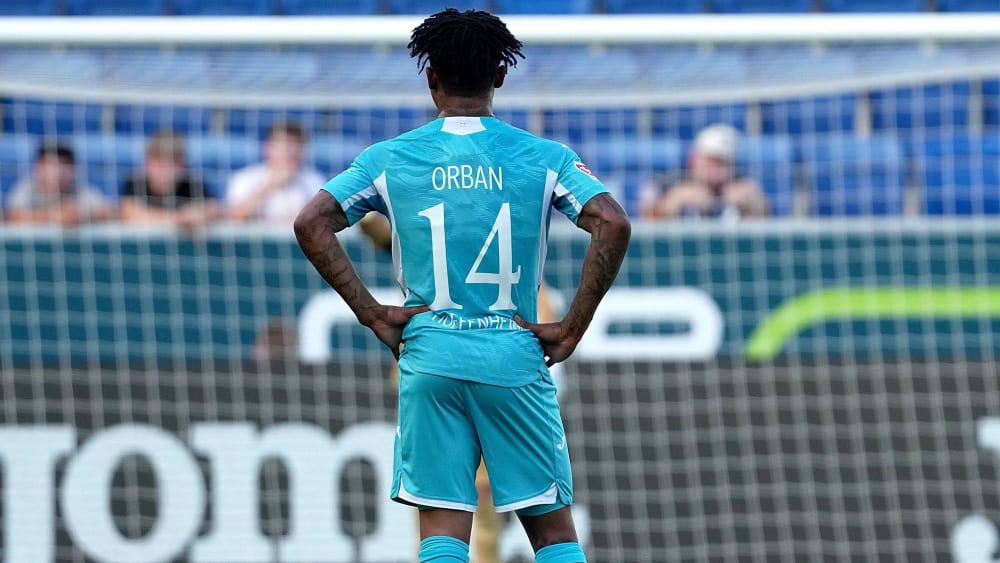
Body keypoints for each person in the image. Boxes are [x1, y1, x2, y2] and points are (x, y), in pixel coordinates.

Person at [294, 9, 631, 563]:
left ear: (431, 79)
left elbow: (311, 222)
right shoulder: (545, 157)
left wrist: (372, 313)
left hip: (430, 356)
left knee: (443, 533)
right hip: (512, 355)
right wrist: (573, 327)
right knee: (552, 535)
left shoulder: (388, 159)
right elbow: (612, 222)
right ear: (500, 75)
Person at [640, 123, 770, 219]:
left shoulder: (740, 184)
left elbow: (767, 221)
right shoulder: (666, 182)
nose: (716, 168)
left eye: (723, 162)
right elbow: (643, 221)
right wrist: (673, 202)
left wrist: (754, 203)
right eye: (711, 159)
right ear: (693, 158)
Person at [226, 121, 324, 223]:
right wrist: (270, 186)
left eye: (296, 146)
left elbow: (322, 219)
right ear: (268, 147)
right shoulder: (245, 177)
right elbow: (235, 216)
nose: (290, 152)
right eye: (283, 146)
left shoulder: (313, 179)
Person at [119, 129, 220, 228]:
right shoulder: (137, 181)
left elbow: (212, 209)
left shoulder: (192, 182)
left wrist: (195, 215)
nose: (164, 172)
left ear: (182, 164)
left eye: (171, 163)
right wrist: (177, 219)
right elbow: (128, 212)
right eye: (158, 164)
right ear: (147, 161)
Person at [5, 140, 114, 226]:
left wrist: (81, 214)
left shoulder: (80, 189)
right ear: (37, 167)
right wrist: (55, 216)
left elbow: (108, 212)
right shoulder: (26, 188)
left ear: (73, 169)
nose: (57, 172)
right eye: (50, 165)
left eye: (63, 165)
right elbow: (12, 216)